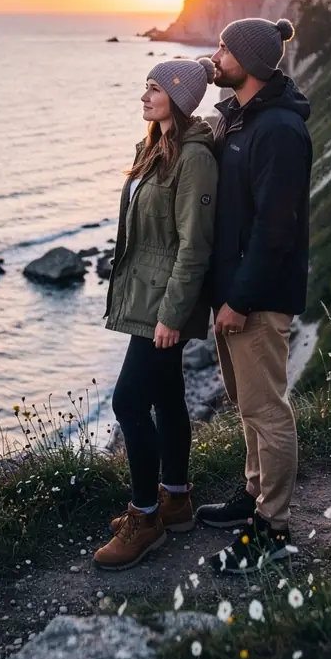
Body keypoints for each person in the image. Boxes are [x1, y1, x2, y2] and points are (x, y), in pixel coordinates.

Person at [195, 17, 312, 574]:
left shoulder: (279, 131)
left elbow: (275, 230)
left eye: (223, 48)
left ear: (250, 62)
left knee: (267, 409)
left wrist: (239, 300)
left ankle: (274, 528)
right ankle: (252, 494)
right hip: (234, 294)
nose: (214, 56)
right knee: (247, 407)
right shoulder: (241, 120)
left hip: (259, 298)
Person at [92, 57, 218, 571]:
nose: (143, 97)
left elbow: (195, 247)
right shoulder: (153, 148)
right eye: (145, 87)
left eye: (154, 88)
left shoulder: (195, 159)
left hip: (162, 303)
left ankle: (145, 519)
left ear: (180, 98)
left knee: (126, 402)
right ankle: (176, 499)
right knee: (167, 397)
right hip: (147, 296)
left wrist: (171, 314)